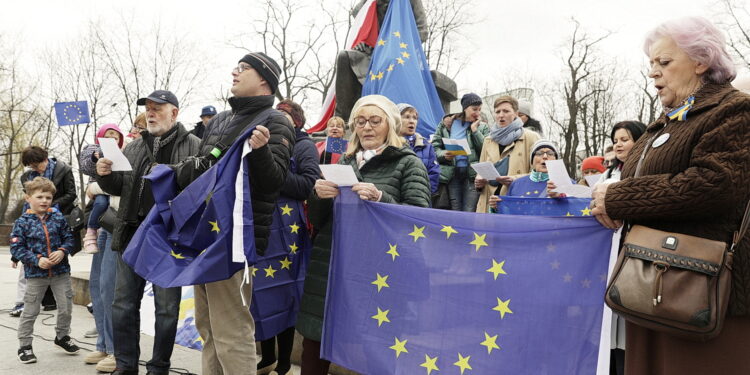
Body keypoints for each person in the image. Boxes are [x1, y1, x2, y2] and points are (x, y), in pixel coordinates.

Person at [591, 17, 750, 375]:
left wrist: (619, 198)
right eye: (651, 64)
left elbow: (714, 184)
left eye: (664, 63)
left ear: (700, 61)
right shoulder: (665, 122)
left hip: (702, 292)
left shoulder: (733, 110)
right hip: (650, 285)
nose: (653, 73)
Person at [171, 52, 295, 375]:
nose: (234, 73)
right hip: (205, 234)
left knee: (231, 331)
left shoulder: (276, 120)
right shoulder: (222, 120)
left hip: (235, 240)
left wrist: (262, 152)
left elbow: (275, 181)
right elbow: (204, 170)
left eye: (243, 68)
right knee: (208, 327)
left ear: (264, 79)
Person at [297, 95, 431, 375]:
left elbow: (419, 220)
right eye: (360, 121)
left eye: (375, 120)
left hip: (378, 270)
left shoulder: (408, 164)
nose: (366, 127)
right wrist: (319, 197)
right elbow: (320, 221)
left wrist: (381, 197)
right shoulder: (343, 162)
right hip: (331, 265)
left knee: (376, 346)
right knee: (315, 339)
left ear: (390, 126)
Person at [95, 90, 201, 375]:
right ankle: (126, 364)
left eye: (158, 108)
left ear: (175, 113)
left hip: (169, 240)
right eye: (149, 109)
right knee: (123, 304)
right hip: (132, 234)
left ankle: (159, 368)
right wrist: (104, 175)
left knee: (167, 310)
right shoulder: (133, 147)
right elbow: (121, 187)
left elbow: (201, 192)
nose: (151, 113)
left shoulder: (195, 146)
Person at [256, 99, 320, 375]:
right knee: (261, 293)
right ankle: (267, 357)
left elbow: (308, 185)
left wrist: (270, 173)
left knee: (285, 295)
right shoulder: (262, 144)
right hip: (264, 227)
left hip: (288, 234)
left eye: (282, 117)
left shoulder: (304, 145)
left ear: (295, 121)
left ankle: (283, 363)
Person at [11, 177, 79, 364]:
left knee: (66, 308)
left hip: (61, 273)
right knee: (30, 311)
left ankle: (62, 337)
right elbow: (17, 248)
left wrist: (62, 251)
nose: (44, 201)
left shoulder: (58, 218)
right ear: (28, 198)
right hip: (35, 276)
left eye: (48, 197)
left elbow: (69, 239)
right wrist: (36, 259)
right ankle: (25, 346)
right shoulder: (22, 222)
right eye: (39, 196)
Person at [17, 146, 78, 312]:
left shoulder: (63, 169)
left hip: (58, 219)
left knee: (55, 259)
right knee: (31, 259)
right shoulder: (27, 177)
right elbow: (27, 201)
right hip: (33, 221)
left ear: (45, 159)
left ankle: (51, 301)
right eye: (32, 166)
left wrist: (52, 206)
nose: (35, 169)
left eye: (37, 165)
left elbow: (71, 194)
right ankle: (24, 302)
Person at [475, 95, 540, 213]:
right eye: (498, 111)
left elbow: (539, 174)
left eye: (506, 111)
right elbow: (481, 169)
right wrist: (479, 181)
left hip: (516, 202)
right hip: (488, 204)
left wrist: (514, 179)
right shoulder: (488, 140)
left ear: (516, 113)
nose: (501, 115)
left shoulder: (531, 137)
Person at [432, 93, 489, 212]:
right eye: (474, 109)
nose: (477, 113)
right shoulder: (447, 124)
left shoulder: (482, 127)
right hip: (452, 175)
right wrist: (444, 154)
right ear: (465, 108)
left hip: (472, 175)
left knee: (469, 210)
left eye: (479, 109)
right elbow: (434, 148)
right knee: (455, 209)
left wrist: (475, 131)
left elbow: (486, 150)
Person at [79, 124, 125, 253]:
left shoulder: (124, 152)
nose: (111, 142)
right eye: (106, 138)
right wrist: (95, 157)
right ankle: (91, 232)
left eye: (114, 139)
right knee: (100, 203)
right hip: (99, 185)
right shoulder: (93, 149)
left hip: (115, 189)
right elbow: (85, 166)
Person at [397, 103, 440, 194]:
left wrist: (424, 195)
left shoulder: (427, 146)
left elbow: (434, 173)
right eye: (407, 117)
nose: (412, 121)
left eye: (415, 118)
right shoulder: (389, 143)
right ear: (396, 119)